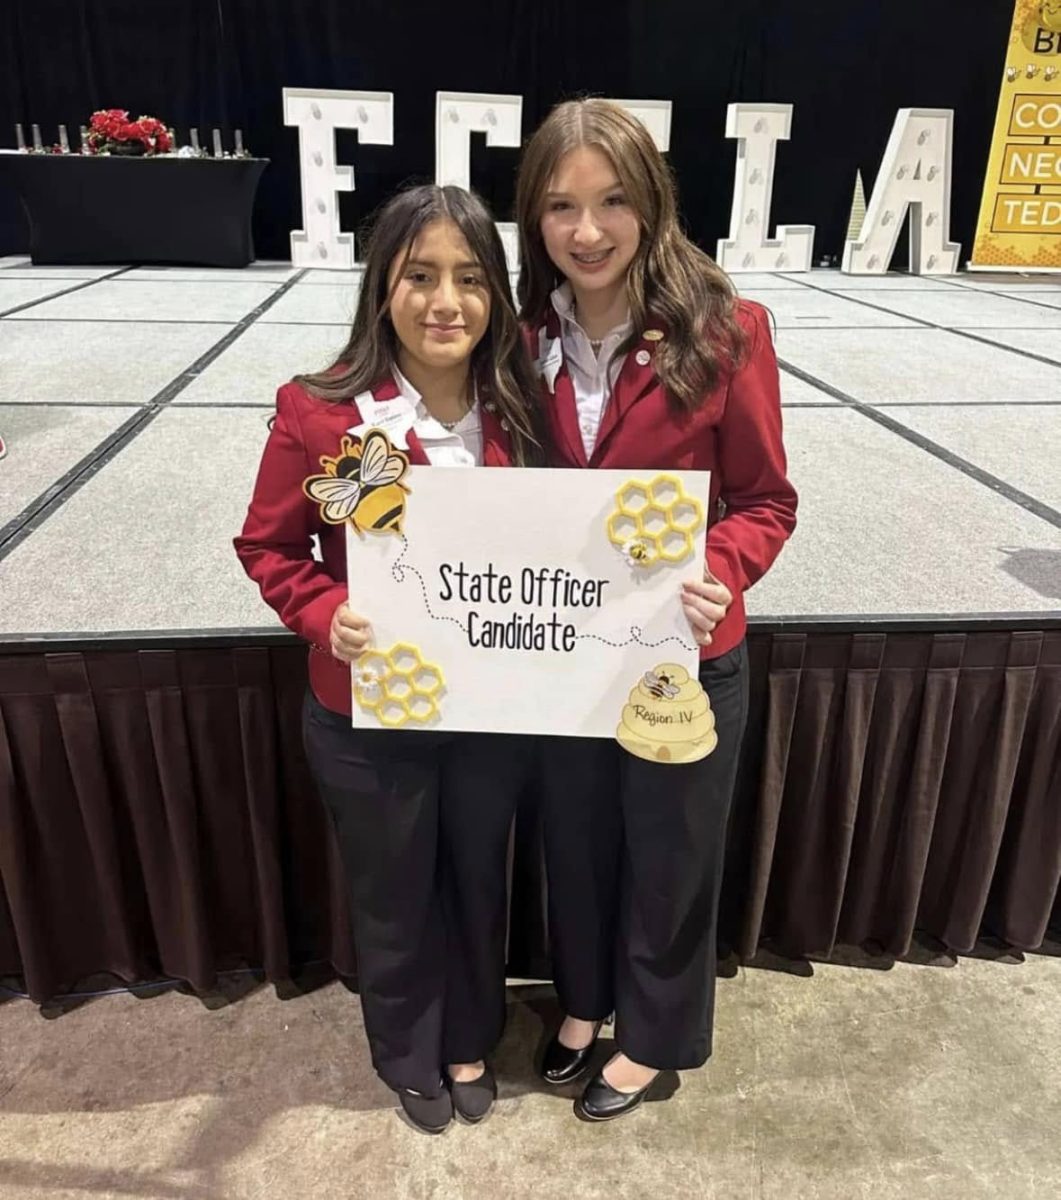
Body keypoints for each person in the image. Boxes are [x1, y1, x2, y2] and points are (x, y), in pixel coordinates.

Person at [235, 184, 547, 1133]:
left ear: (495, 295)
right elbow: (267, 548)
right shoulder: (321, 412)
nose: (443, 301)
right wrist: (326, 612)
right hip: (368, 711)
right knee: (394, 890)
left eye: (467, 278)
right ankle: (408, 1050)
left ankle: (469, 1038)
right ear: (382, 288)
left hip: (488, 706)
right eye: (419, 276)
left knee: (475, 882)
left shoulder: (524, 410)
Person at [514, 99, 798, 1121]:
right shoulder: (519, 336)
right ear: (533, 217)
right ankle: (583, 1004)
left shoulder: (725, 331)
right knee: (577, 843)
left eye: (610, 201)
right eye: (559, 206)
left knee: (671, 854)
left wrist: (721, 564)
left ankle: (656, 1033)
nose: (585, 231)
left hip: (681, 650)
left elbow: (767, 499)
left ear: (651, 204)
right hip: (566, 651)